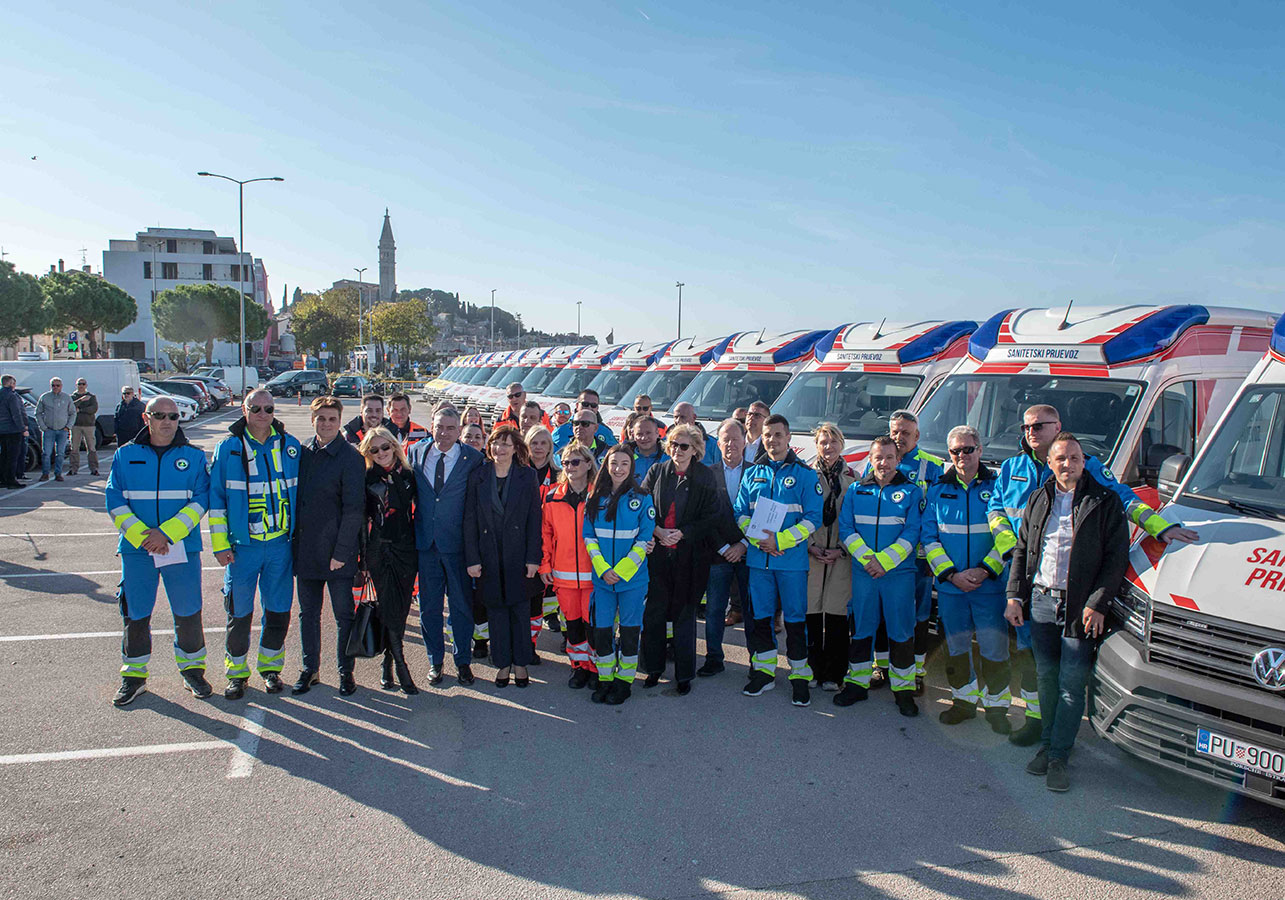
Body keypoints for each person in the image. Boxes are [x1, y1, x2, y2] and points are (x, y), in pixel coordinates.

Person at [987, 403, 1198, 747]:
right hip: (1025, 575)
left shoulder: (1089, 466)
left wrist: (1161, 527)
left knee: (1066, 669)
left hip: (1072, 586)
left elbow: (1125, 501)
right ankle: (1037, 720)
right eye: (1026, 427)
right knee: (1032, 657)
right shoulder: (1012, 468)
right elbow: (996, 509)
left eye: (1039, 425)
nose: (1031, 432)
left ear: (1058, 427)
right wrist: (1010, 547)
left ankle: (1058, 735)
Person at [1005, 433, 1129, 792]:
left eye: (1075, 458)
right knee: (1046, 678)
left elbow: (1115, 559)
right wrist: (1015, 596)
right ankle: (1046, 744)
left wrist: (1098, 602)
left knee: (1072, 686)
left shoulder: (1104, 501)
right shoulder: (1038, 498)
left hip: (1080, 606)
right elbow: (1022, 549)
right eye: (1061, 458)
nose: (1068, 464)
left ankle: (1059, 754)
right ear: (1050, 462)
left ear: (1083, 461)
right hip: (1042, 601)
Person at [105, 397, 211, 706]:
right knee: (136, 613)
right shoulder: (125, 455)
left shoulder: (193, 456)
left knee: (188, 610)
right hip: (138, 550)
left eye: (174, 416)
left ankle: (193, 671)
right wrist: (144, 537)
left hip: (180, 547)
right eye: (160, 415)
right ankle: (134, 677)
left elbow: (202, 500)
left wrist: (166, 533)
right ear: (146, 417)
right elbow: (114, 501)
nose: (167, 421)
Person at [209, 390, 301, 699]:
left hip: (280, 546)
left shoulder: (290, 446)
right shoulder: (229, 448)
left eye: (269, 408)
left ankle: (270, 669)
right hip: (242, 549)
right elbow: (217, 501)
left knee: (277, 612)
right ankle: (236, 674)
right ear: (244, 410)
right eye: (256, 408)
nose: (263, 413)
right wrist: (221, 544)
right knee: (239, 613)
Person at [922, 425, 1010, 731]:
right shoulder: (937, 490)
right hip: (952, 588)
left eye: (968, 449)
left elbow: (1007, 537)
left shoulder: (998, 487)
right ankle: (963, 702)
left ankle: (998, 708)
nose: (962, 456)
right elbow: (929, 538)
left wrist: (985, 569)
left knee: (994, 649)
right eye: (955, 451)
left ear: (980, 450)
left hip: (989, 585)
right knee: (956, 649)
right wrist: (950, 574)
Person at [733, 414, 822, 707]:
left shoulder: (806, 475)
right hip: (759, 561)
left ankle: (799, 676)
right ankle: (764, 672)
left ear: (789, 438)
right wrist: (758, 539)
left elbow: (813, 519)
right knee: (760, 619)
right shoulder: (752, 473)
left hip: (791, 563)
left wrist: (779, 541)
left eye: (778, 435)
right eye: (768, 435)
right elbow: (740, 512)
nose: (773, 440)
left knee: (795, 621)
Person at [836, 435, 923, 717]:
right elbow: (846, 528)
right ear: (870, 459)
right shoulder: (856, 490)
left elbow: (913, 531)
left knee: (900, 631)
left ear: (898, 460)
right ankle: (857, 684)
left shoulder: (912, 492)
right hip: (865, 573)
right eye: (878, 457)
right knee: (862, 628)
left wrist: (884, 561)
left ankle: (903, 690)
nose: (883, 463)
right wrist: (868, 559)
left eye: (889, 457)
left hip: (897, 573)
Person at [637, 424, 721, 694]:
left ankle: (684, 675)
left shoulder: (705, 476)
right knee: (654, 614)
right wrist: (658, 530)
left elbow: (711, 516)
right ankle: (653, 668)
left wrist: (683, 533)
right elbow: (643, 504)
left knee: (685, 617)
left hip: (691, 556)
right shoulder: (657, 471)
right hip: (659, 554)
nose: (677, 450)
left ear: (695, 449)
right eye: (673, 444)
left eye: (683, 446)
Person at [294, 396, 366, 695]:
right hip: (307, 551)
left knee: (343, 616)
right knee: (308, 615)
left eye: (332, 419)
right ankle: (310, 669)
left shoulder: (351, 458)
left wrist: (341, 553)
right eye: (321, 418)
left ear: (340, 421)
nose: (326, 424)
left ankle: (345, 672)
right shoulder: (301, 453)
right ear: (313, 420)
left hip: (338, 554)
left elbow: (354, 510)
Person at [408, 407, 484, 686]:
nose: (444, 433)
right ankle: (435, 661)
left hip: (458, 547)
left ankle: (463, 660)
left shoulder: (473, 459)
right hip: (426, 545)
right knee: (429, 608)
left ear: (459, 430)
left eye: (451, 428)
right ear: (432, 426)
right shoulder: (417, 452)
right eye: (440, 427)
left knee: (461, 607)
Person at [465, 426, 543, 687]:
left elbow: (535, 519)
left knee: (520, 611)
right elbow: (470, 520)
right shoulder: (478, 476)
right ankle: (502, 664)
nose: (500, 449)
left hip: (518, 554)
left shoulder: (527, 475)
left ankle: (520, 663)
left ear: (516, 448)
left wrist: (534, 558)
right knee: (496, 611)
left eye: (506, 444)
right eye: (496, 443)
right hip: (488, 555)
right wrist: (472, 558)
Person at [583, 445, 655, 705]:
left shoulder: (643, 498)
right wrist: (604, 570)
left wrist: (621, 572)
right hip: (602, 582)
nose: (619, 468)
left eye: (624, 464)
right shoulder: (595, 498)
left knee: (628, 633)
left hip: (632, 582)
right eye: (614, 463)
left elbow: (644, 540)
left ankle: (624, 682)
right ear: (606, 465)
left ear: (631, 467)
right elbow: (589, 538)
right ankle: (605, 679)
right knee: (602, 632)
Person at [883, 410, 945, 691]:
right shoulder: (879, 461)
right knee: (886, 611)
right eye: (895, 432)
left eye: (905, 433)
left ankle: (917, 670)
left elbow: (937, 514)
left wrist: (935, 554)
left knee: (919, 616)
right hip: (885, 555)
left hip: (919, 557)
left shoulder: (931, 466)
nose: (898, 438)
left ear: (917, 436)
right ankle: (881, 667)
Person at [358, 426, 420, 694]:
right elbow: (361, 521)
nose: (381, 453)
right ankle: (401, 666)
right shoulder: (366, 477)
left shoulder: (408, 475)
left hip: (407, 549)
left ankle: (387, 662)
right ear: (368, 452)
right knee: (387, 607)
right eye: (374, 449)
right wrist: (361, 561)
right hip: (379, 550)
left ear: (394, 446)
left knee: (401, 609)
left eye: (385, 447)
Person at [540, 441, 599, 688]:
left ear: (588, 464)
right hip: (563, 577)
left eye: (575, 462)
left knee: (594, 626)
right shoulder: (553, 497)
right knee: (573, 626)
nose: (570, 466)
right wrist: (544, 566)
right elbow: (545, 534)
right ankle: (579, 667)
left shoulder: (600, 495)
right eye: (565, 462)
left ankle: (597, 669)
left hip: (595, 576)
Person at [699, 418, 751, 676]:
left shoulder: (757, 472)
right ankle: (714, 658)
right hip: (717, 554)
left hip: (749, 553)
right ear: (718, 443)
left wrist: (742, 545)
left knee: (753, 611)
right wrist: (723, 548)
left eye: (736, 439)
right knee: (715, 609)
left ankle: (758, 662)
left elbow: (764, 516)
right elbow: (702, 517)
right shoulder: (706, 475)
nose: (731, 444)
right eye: (725, 439)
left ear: (745, 442)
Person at [807, 423, 855, 692]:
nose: (829, 446)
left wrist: (841, 549)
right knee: (811, 614)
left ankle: (835, 673)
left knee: (836, 617)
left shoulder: (853, 479)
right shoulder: (807, 476)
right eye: (823, 441)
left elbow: (856, 521)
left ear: (842, 444)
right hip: (813, 553)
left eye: (833, 441)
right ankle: (812, 669)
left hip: (841, 555)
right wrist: (810, 545)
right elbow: (800, 513)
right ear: (816, 445)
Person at [525, 424, 562, 643]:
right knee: (529, 595)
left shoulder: (559, 475)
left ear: (550, 447)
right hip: (524, 542)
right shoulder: (518, 471)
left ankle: (536, 636)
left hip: (552, 543)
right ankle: (526, 642)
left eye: (543, 443)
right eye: (534, 442)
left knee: (548, 591)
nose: (539, 447)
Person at [36, 376, 74, 482]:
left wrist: (68, 426)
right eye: (53, 385)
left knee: (60, 454)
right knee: (46, 453)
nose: (55, 387)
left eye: (57, 385)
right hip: (49, 430)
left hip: (62, 430)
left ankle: (58, 474)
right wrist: (43, 427)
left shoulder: (67, 398)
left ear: (61, 386)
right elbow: (38, 413)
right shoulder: (45, 397)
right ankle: (45, 473)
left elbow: (72, 413)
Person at [0, 375, 27, 489]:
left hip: (2, 430)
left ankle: (3, 479)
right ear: (11, 384)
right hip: (12, 430)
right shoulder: (12, 396)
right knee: (13, 457)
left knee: (3, 456)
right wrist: (23, 428)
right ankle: (11, 480)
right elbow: (16, 414)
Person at [68, 377, 99, 477]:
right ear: (76, 385)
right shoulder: (72, 397)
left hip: (88, 425)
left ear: (86, 385)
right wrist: (81, 400)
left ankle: (94, 468)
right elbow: (71, 407)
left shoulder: (91, 396)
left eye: (83, 384)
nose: (81, 386)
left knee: (91, 447)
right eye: (79, 384)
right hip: (75, 425)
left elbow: (93, 409)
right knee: (74, 448)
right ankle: (73, 468)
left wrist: (80, 410)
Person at [630, 415, 668, 480]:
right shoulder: (626, 458)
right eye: (639, 434)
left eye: (648, 433)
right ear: (633, 436)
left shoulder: (668, 457)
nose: (644, 438)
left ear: (657, 433)